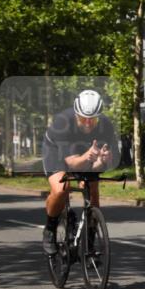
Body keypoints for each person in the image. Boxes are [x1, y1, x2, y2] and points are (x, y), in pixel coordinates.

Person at [41, 90, 118, 254]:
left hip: (84, 151)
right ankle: (50, 228)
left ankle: (89, 241)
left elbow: (98, 165)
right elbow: (72, 164)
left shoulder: (106, 126)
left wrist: (103, 161)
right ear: (76, 114)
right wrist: (87, 157)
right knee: (62, 188)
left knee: (92, 191)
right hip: (56, 152)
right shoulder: (62, 123)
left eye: (93, 119)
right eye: (83, 119)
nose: (88, 123)